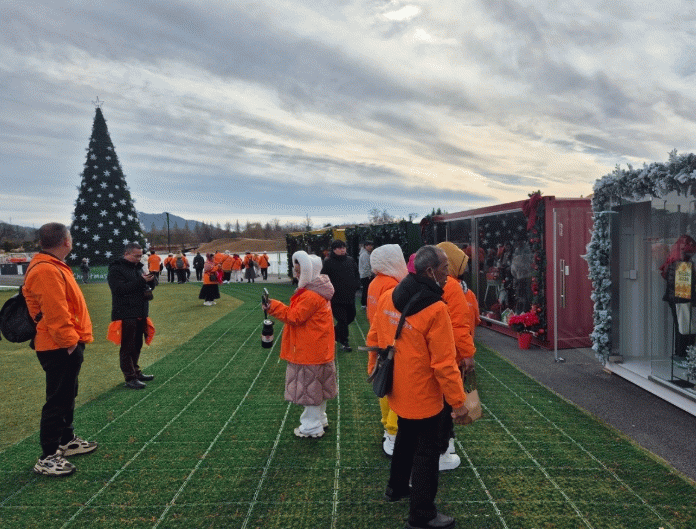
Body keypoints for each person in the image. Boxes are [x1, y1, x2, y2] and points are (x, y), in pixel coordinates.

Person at [366, 246, 469, 529]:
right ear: (430, 272)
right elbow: (444, 364)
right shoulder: (436, 309)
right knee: (427, 453)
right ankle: (422, 514)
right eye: (445, 269)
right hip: (424, 394)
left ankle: (396, 487)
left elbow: (374, 336)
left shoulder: (389, 296)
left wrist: (373, 370)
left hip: (398, 387)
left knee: (405, 437)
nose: (448, 274)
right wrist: (458, 402)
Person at [24, 223, 97, 476]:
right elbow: (56, 312)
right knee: (58, 399)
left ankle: (66, 441)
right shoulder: (46, 269)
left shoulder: (52, 265)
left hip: (63, 342)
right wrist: (69, 343)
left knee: (67, 394)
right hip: (58, 345)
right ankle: (47, 456)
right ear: (66, 241)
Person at [262, 251, 337, 438]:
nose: (296, 275)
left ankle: (311, 426)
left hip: (309, 350)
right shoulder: (319, 290)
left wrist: (273, 306)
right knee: (318, 389)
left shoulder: (310, 295)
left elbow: (294, 317)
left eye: (299, 271)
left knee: (309, 391)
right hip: (319, 349)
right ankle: (320, 419)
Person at [435, 241, 476, 471]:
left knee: (439, 403)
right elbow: (460, 325)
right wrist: (468, 354)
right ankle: (444, 449)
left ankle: (444, 444)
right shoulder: (452, 286)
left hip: (434, 353)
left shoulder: (435, 283)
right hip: (451, 354)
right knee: (447, 403)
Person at [365, 244, 408, 457]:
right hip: (393, 344)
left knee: (384, 387)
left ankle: (387, 428)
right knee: (396, 392)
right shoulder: (393, 285)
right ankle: (393, 433)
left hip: (380, 341)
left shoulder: (375, 282)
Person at [107, 242, 157, 390]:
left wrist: (151, 280)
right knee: (127, 347)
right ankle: (130, 377)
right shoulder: (116, 269)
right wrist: (142, 280)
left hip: (140, 311)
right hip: (125, 312)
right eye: (136, 256)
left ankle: (136, 372)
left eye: (140, 256)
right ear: (126, 254)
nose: (139, 259)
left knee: (137, 345)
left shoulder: (139, 267)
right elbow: (119, 289)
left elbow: (146, 286)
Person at [321, 239, 360, 351]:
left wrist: (356, 285)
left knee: (351, 317)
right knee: (342, 320)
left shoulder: (350, 260)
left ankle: (334, 332)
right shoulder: (328, 262)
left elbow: (356, 274)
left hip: (350, 297)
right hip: (336, 298)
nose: (342, 250)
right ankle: (344, 342)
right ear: (334, 250)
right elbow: (323, 278)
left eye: (343, 247)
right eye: (339, 248)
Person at [358, 240, 374, 308]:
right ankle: (364, 303)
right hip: (366, 275)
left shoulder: (365, 253)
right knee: (366, 290)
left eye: (371, 245)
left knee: (365, 289)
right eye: (368, 245)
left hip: (364, 275)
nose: (370, 247)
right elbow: (366, 266)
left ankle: (364, 303)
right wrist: (369, 275)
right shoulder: (365, 254)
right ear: (365, 246)